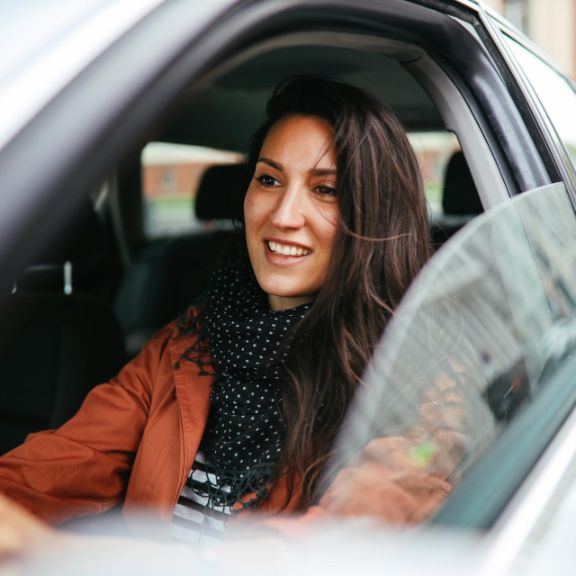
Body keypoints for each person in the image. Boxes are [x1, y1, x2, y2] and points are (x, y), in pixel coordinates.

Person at [0, 76, 435, 547]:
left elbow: (343, 535)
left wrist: (62, 550)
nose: (284, 215)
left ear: (374, 214)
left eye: (326, 190)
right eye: (269, 179)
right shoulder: (188, 343)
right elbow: (66, 460)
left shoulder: (417, 380)